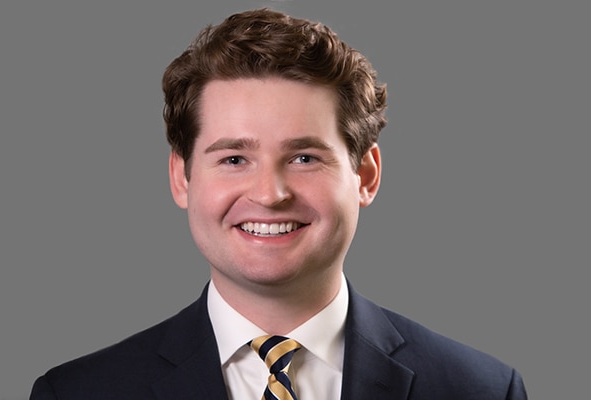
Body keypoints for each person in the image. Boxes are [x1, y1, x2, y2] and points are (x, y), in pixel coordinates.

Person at [30, 8, 527, 400]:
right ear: (182, 177)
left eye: (304, 157)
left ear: (366, 175)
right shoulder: (77, 393)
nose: (270, 194)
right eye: (233, 159)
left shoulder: (480, 390)